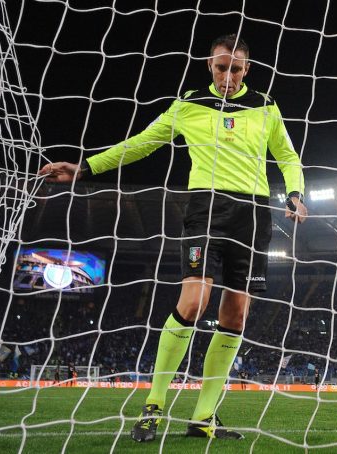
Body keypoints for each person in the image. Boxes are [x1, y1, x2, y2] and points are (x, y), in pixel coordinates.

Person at [39, 33, 307, 442]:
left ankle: (203, 417)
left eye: (236, 68)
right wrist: (85, 168)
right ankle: (154, 405)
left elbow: (287, 155)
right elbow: (142, 144)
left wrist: (294, 193)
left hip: (252, 216)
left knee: (235, 315)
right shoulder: (187, 104)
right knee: (195, 302)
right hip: (205, 209)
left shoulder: (265, 107)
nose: (229, 75)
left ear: (247, 69)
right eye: (221, 67)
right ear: (209, 64)